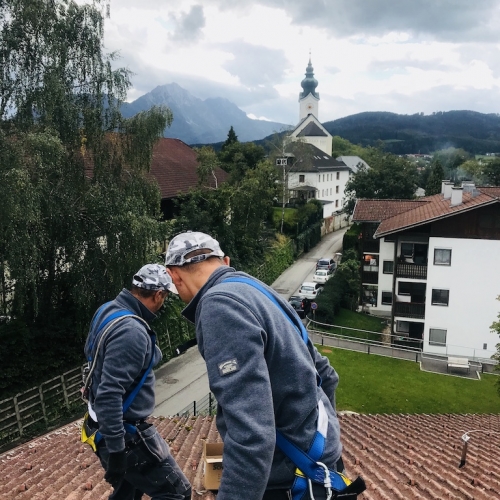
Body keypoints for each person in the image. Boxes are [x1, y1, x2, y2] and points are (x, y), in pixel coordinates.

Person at [165, 232, 345, 500]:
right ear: (225, 261)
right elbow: (326, 375)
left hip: (290, 483)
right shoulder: (260, 291)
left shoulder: (219, 306)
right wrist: (320, 438)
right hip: (321, 471)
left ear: (174, 276)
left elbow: (251, 435)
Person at [84, 263, 192, 500]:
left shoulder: (108, 310)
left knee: (128, 494)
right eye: (164, 298)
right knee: (178, 493)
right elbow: (110, 393)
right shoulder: (132, 331)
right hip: (123, 433)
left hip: (101, 424)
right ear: (158, 294)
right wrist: (117, 450)